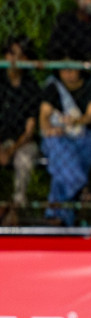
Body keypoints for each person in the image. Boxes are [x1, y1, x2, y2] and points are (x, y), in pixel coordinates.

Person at [38, 66, 91, 225]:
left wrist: (75, 122)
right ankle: (81, 186)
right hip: (58, 138)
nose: (67, 73)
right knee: (58, 146)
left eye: (71, 69)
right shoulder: (53, 87)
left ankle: (56, 215)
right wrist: (50, 130)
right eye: (63, 69)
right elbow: (44, 118)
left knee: (62, 161)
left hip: (83, 137)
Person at [0, 37, 42, 226]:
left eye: (19, 54)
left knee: (24, 158)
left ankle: (15, 208)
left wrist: (10, 150)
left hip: (22, 141)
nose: (14, 59)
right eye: (11, 53)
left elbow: (30, 130)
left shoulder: (31, 86)